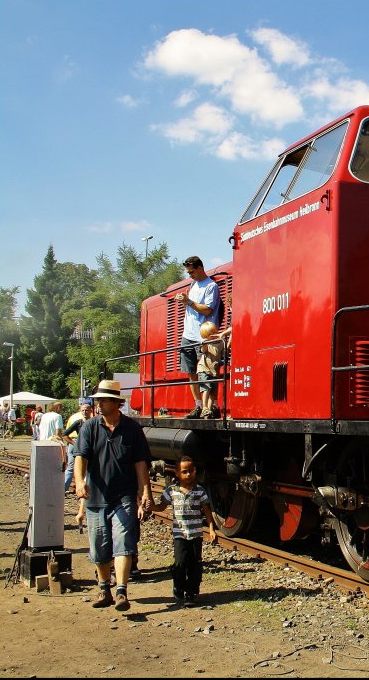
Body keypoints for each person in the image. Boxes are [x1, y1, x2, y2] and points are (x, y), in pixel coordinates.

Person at [74, 379, 154, 611]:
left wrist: (145, 491)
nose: (98, 404)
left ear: (115, 403)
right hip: (96, 497)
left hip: (124, 497)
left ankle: (121, 591)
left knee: (124, 543)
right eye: (97, 400)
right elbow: (81, 457)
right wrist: (79, 483)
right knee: (99, 547)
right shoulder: (89, 427)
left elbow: (140, 463)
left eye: (102, 400)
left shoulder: (132, 429)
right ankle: (103, 588)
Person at [153, 456, 217, 606]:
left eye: (191, 471)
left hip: (196, 534)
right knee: (180, 562)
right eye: (185, 471)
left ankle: (191, 593)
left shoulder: (199, 491)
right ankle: (179, 586)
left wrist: (212, 529)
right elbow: (161, 507)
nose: (189, 475)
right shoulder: (171, 490)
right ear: (177, 473)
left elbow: (207, 511)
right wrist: (149, 507)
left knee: (195, 563)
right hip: (179, 534)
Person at [176, 256, 221, 419]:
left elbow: (208, 310)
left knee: (206, 372)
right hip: (188, 335)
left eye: (192, 272)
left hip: (203, 336)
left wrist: (188, 301)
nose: (190, 275)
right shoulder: (193, 284)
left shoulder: (211, 286)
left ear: (200, 268)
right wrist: (184, 300)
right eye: (188, 272)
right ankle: (198, 405)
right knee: (191, 372)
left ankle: (211, 406)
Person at [196, 321, 225, 419]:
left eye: (214, 332)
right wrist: (204, 343)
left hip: (214, 371)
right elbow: (203, 350)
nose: (212, 335)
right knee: (206, 388)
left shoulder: (220, 343)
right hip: (204, 369)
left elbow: (222, 355)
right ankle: (204, 408)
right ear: (205, 336)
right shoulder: (206, 344)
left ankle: (209, 409)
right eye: (209, 334)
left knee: (213, 392)